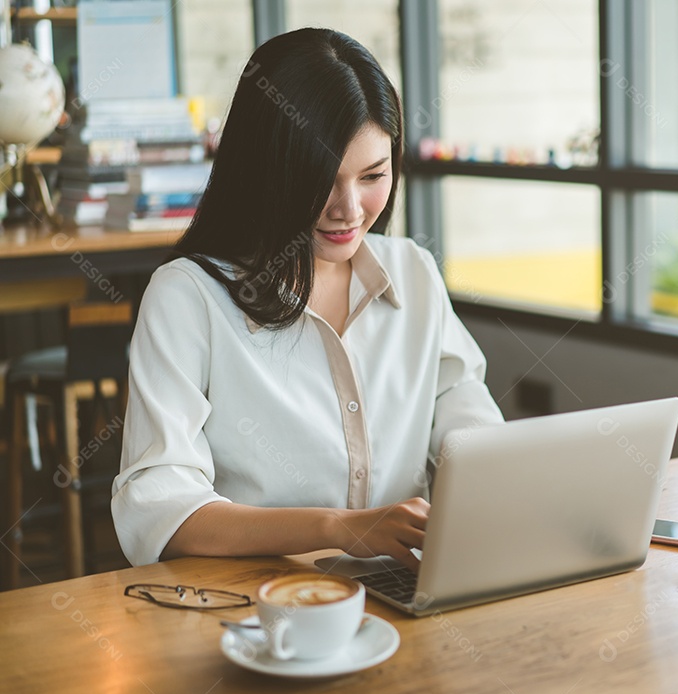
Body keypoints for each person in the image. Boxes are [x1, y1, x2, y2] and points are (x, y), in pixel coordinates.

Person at [111, 28, 503, 572]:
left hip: (405, 589)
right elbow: (160, 508)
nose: (349, 209)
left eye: (373, 176)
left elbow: (463, 415)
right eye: (322, 180)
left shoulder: (412, 272)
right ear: (267, 170)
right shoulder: (188, 298)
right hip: (257, 606)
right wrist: (337, 529)